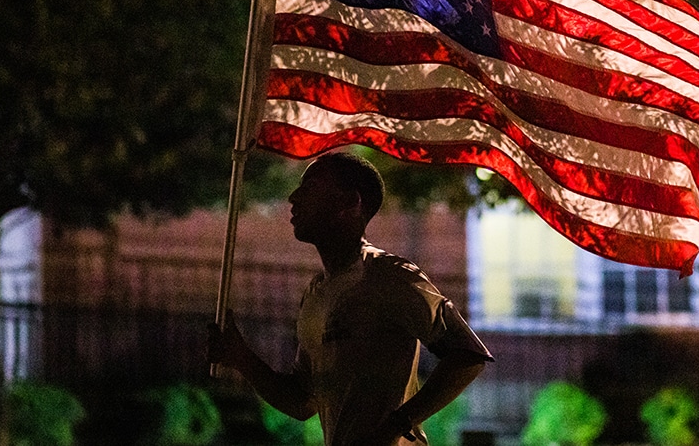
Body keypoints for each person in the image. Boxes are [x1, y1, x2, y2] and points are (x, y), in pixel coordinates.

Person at [208, 152, 492, 445]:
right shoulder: (316, 294)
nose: (294, 197)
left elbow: (468, 355)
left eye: (310, 187)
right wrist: (241, 358)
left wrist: (396, 425)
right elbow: (302, 402)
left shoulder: (390, 276)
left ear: (349, 203)